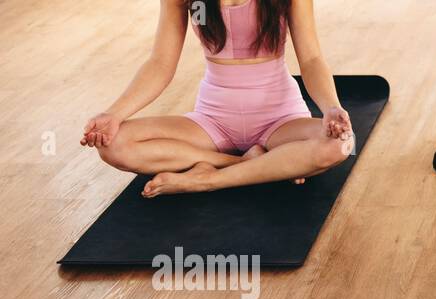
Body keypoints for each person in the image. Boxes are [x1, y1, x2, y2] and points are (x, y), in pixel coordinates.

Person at [81, 0, 354, 197]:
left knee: (340, 144)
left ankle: (207, 180)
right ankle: (254, 165)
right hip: (213, 120)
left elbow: (311, 58)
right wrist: (114, 114)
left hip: (280, 119)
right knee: (113, 144)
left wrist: (331, 106)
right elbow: (161, 63)